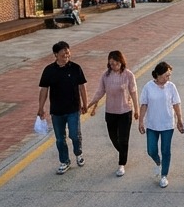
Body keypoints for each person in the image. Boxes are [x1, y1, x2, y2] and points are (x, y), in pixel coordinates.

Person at [87, 50, 141, 177]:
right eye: (111, 64)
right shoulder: (105, 76)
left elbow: (133, 92)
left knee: (123, 139)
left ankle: (122, 163)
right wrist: (89, 105)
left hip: (125, 111)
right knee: (113, 138)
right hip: (110, 112)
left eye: (116, 63)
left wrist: (136, 110)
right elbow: (100, 92)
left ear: (121, 62)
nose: (114, 66)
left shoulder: (128, 75)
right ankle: (123, 152)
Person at [38, 41, 88, 175]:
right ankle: (64, 161)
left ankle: (78, 153)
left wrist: (85, 103)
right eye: (63, 53)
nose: (66, 55)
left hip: (73, 109)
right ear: (56, 54)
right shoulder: (49, 70)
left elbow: (82, 87)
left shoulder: (75, 68)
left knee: (74, 135)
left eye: (68, 52)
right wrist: (41, 107)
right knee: (60, 138)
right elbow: (44, 90)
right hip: (57, 111)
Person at [138, 61, 184, 188]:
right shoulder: (148, 87)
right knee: (151, 150)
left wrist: (180, 119)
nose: (168, 78)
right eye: (166, 75)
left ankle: (164, 175)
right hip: (152, 124)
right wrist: (141, 121)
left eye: (169, 76)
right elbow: (144, 104)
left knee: (165, 150)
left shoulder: (171, 87)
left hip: (167, 124)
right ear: (158, 75)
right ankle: (158, 163)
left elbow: (176, 104)